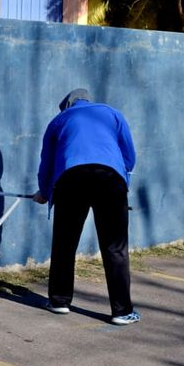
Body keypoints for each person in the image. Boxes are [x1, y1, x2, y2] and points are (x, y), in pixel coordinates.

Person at [32, 89, 139, 325]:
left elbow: (47, 163)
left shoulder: (59, 121)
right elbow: (129, 155)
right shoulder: (112, 114)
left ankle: (59, 301)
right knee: (115, 247)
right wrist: (123, 179)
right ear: (88, 100)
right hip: (110, 179)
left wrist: (44, 191)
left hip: (71, 179)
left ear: (67, 105)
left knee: (64, 243)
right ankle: (122, 312)